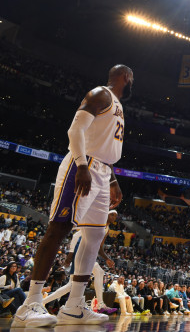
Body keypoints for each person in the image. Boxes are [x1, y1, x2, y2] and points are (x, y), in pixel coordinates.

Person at [12, 64, 133, 327]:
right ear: (126, 77)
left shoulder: (117, 105)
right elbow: (74, 131)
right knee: (59, 228)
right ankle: (30, 302)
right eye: (131, 79)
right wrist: (80, 165)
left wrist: (112, 180)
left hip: (102, 170)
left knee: (95, 235)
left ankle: (74, 306)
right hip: (84, 165)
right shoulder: (100, 94)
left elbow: (104, 144)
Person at [41, 211, 120, 315]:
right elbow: (76, 236)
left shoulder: (106, 229)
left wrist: (107, 258)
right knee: (99, 271)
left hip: (86, 253)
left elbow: (100, 248)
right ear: (106, 214)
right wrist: (70, 255)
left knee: (71, 285)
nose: (114, 217)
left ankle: (42, 302)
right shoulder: (97, 222)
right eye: (112, 214)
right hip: (79, 251)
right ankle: (100, 305)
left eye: (116, 216)